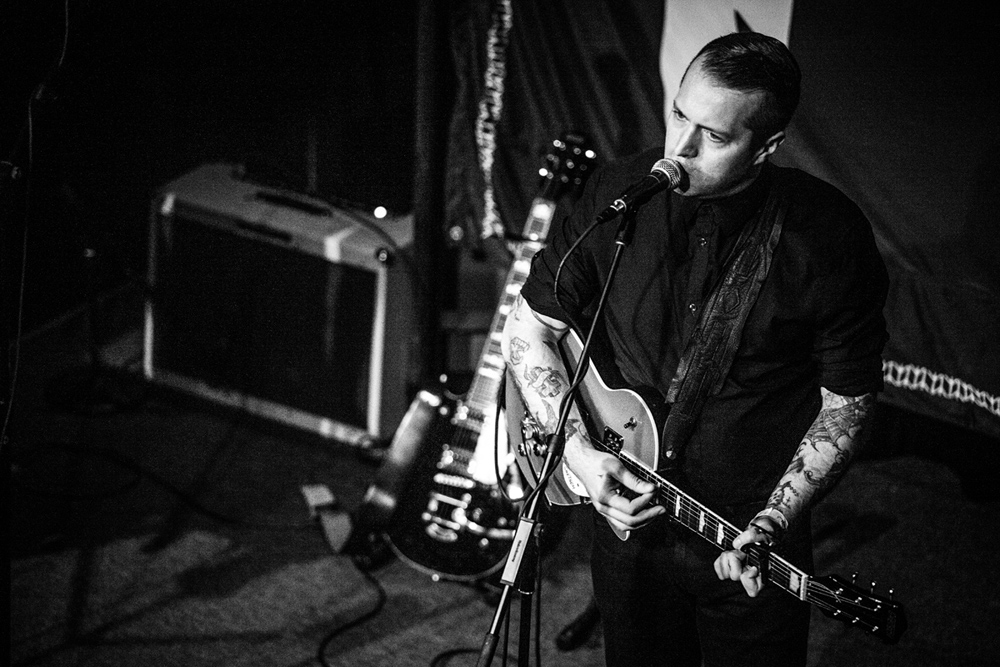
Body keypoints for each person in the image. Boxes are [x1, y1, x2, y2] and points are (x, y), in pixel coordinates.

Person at [500, 32, 888, 666]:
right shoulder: (622, 191)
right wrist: (578, 455)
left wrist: (772, 523)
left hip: (747, 536)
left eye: (713, 135)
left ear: (767, 147)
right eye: (679, 114)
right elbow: (529, 327)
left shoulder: (827, 236)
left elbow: (847, 403)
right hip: (625, 519)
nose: (679, 148)